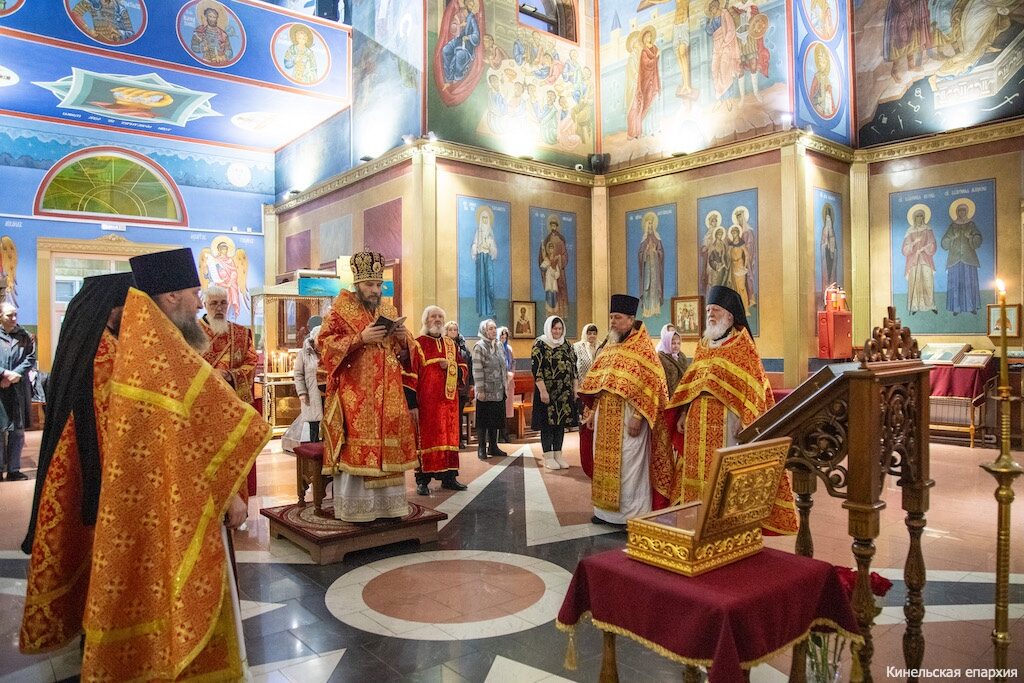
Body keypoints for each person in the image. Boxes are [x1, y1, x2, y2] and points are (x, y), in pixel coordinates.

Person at [78, 247, 269, 680]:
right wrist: (228, 495)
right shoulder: (160, 355)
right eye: (195, 293)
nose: (200, 303)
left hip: (160, 494)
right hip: (183, 495)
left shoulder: (148, 344)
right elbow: (193, 432)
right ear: (170, 297)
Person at [19, 273, 132, 655]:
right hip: (94, 469)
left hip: (82, 465)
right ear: (112, 308)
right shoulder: (104, 351)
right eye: (127, 305)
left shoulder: (89, 341)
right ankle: (96, 631)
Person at [668, 285, 798, 534]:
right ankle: (695, 520)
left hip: (727, 423)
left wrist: (747, 420)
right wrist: (683, 412)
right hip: (697, 423)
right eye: (708, 310)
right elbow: (693, 383)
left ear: (729, 315)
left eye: (715, 310)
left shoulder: (742, 345)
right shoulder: (703, 345)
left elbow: (755, 387)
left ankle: (724, 524)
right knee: (695, 474)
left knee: (723, 474)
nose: (710, 314)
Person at [319, 251, 418, 522]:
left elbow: (406, 354)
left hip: (389, 392)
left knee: (389, 445)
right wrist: (359, 338)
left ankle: (390, 508)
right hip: (357, 394)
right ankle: (358, 511)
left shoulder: (388, 310)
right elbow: (324, 346)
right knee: (358, 448)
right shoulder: (340, 310)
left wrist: (403, 338)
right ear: (357, 284)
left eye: (378, 284)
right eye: (369, 285)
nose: (375, 290)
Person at [579, 295, 673, 525]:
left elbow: (652, 386)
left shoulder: (643, 350)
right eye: (611, 317)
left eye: (618, 317)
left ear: (631, 319)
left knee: (630, 467)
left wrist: (639, 416)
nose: (612, 321)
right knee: (604, 464)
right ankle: (604, 513)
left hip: (630, 419)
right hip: (605, 419)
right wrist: (592, 412)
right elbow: (599, 384)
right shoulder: (609, 347)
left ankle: (631, 516)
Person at [406, 306, 468, 494]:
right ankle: (422, 481)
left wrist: (451, 366)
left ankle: (449, 478)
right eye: (433, 316)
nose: (437, 319)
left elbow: (463, 367)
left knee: (450, 439)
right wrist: (412, 404)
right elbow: (410, 375)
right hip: (427, 404)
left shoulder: (450, 344)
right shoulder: (417, 344)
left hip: (449, 404)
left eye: (440, 316)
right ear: (426, 320)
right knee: (426, 440)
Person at [531, 316, 578, 470]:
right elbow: (537, 370)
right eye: (554, 328)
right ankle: (548, 456)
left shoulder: (567, 344)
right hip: (547, 392)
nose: (557, 331)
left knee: (560, 424)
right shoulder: (540, 344)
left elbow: (573, 368)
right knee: (548, 425)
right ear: (548, 329)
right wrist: (543, 391)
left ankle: (558, 455)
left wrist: (575, 389)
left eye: (559, 328)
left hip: (564, 393)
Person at [200, 284, 258, 404]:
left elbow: (251, 362)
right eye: (214, 303)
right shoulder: (192, 331)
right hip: (201, 395)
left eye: (223, 303)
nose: (219, 308)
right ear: (205, 305)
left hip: (231, 397)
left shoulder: (241, 332)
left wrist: (229, 375)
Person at [0, 302, 34, 481]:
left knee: (18, 431)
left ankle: (14, 469)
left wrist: (16, 374)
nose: (14, 318)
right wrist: (4, 374)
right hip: (1, 387)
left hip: (18, 389)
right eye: (9, 315)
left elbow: (31, 357)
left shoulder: (25, 336)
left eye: (15, 315)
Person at [472, 319, 510, 459]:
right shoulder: (479, 346)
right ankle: (481, 447)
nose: (494, 331)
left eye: (494, 328)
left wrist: (505, 385)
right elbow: (477, 369)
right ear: (484, 331)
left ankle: (493, 447)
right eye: (490, 329)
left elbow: (503, 366)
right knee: (483, 420)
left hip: (499, 390)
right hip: (486, 390)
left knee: (495, 419)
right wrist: (480, 390)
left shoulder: (499, 345)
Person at [281, 325, 323, 452]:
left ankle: (326, 451)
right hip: (312, 393)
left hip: (327, 392)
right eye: (320, 338)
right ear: (314, 338)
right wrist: (302, 392)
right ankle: (314, 449)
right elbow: (298, 374)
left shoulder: (327, 351)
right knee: (314, 423)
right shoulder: (304, 353)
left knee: (329, 422)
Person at [941, 200, 982, 316]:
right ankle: (956, 308)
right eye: (960, 211)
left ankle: (971, 306)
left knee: (969, 283)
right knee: (955, 283)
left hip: (969, 259)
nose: (962, 212)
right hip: (954, 259)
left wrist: (971, 237)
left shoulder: (971, 225)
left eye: (964, 210)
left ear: (967, 211)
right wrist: (952, 237)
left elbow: (978, 239)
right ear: (957, 212)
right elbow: (944, 243)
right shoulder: (952, 226)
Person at [626, 25, 661, 139]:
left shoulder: (641, 53)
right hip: (635, 86)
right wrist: (638, 78)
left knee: (642, 106)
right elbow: (635, 71)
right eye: (636, 43)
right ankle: (633, 132)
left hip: (643, 82)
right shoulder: (633, 57)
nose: (638, 44)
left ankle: (639, 131)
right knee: (635, 108)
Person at [902, 205, 937, 314]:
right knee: (915, 282)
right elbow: (905, 250)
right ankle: (915, 306)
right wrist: (914, 243)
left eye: (921, 216)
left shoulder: (928, 229)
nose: (919, 218)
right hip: (913, 261)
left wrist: (924, 248)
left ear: (924, 218)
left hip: (925, 260)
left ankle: (930, 305)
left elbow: (932, 244)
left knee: (928, 281)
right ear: (914, 218)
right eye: (917, 216)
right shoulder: (909, 231)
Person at [445, 320, 474, 448]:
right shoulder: (443, 345)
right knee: (448, 414)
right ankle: (448, 439)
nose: (453, 332)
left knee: (458, 414)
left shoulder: (463, 347)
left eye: (455, 329)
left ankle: (458, 439)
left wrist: (471, 383)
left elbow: (469, 365)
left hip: (462, 386)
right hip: (447, 386)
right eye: (450, 329)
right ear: (446, 331)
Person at [471, 205, 499, 319]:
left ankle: (491, 310)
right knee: (481, 284)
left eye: (486, 218)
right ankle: (482, 311)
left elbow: (494, 249)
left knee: (490, 284)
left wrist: (490, 245)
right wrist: (475, 251)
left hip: (488, 259)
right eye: (483, 218)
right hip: (480, 259)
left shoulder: (490, 233)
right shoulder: (478, 232)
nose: (485, 220)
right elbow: (474, 244)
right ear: (480, 219)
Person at [638, 211, 665, 317]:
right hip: (647, 268)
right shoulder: (644, 239)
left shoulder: (657, 238)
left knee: (655, 287)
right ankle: (647, 310)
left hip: (655, 268)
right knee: (646, 288)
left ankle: (655, 309)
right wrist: (645, 252)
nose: (650, 226)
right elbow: (640, 254)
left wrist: (655, 252)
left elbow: (661, 252)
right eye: (648, 223)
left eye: (651, 223)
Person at [657, 328, 688, 395]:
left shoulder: (682, 356)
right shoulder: (660, 357)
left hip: (682, 393)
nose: (676, 346)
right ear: (667, 343)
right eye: (673, 343)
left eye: (678, 343)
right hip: (667, 394)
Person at [498, 326, 515, 443]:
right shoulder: (495, 348)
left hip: (508, 381)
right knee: (499, 409)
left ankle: (505, 433)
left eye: (505, 337)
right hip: (498, 382)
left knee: (506, 410)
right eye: (501, 337)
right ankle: (499, 434)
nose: (503, 339)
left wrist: (511, 373)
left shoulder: (508, 349)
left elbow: (513, 362)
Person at [820, 203, 838, 293]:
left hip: (831, 257)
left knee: (832, 274)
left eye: (829, 219)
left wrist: (832, 249)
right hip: (826, 256)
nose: (828, 221)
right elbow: (822, 244)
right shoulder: (824, 230)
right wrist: (825, 245)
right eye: (826, 219)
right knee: (826, 275)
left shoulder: (832, 231)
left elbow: (835, 248)